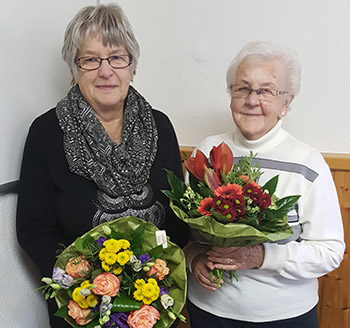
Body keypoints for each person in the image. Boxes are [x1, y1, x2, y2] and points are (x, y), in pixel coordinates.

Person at [16, 4, 188, 327]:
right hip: (79, 309)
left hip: (155, 306)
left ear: (132, 67)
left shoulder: (160, 127)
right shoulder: (46, 133)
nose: (106, 71)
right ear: (74, 69)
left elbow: (178, 222)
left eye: (117, 57)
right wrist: (81, 282)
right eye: (90, 60)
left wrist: (155, 277)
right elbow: (33, 230)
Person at [184, 41, 345, 328]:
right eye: (242, 88)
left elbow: (330, 252)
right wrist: (194, 258)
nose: (251, 100)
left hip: (283, 318)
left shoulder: (307, 163)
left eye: (266, 91)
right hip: (207, 312)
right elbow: (184, 233)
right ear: (230, 95)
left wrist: (262, 255)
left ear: (287, 102)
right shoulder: (206, 153)